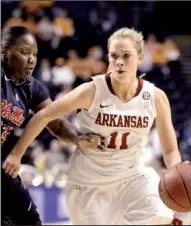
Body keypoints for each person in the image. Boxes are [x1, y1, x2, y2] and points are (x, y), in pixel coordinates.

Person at [4, 27, 185, 225]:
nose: (120, 61)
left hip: (133, 177)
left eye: (126, 55)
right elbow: (43, 116)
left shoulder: (155, 97)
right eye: (114, 56)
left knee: (162, 220)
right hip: (88, 184)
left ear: (140, 57)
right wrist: (16, 154)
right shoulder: (92, 90)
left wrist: (177, 174)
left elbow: (170, 150)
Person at [1, 25, 104, 225]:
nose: (31, 59)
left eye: (34, 54)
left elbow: (55, 124)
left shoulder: (31, 88)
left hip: (4, 168)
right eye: (24, 52)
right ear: (4, 52)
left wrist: (78, 138)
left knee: (30, 220)